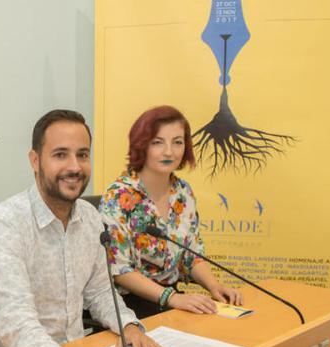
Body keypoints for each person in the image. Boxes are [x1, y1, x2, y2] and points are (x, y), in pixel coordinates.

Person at [0, 109, 166, 347]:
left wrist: (128, 325)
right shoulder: (4, 226)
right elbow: (17, 326)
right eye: (60, 155)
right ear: (35, 161)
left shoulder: (90, 218)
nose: (74, 167)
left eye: (83, 154)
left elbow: (101, 292)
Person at [99, 105, 242, 318]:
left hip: (171, 301)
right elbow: (119, 271)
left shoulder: (183, 193)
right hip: (130, 307)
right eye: (158, 142)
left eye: (177, 142)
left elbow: (190, 256)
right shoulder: (118, 196)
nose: (169, 151)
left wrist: (214, 286)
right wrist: (172, 298)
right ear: (141, 145)